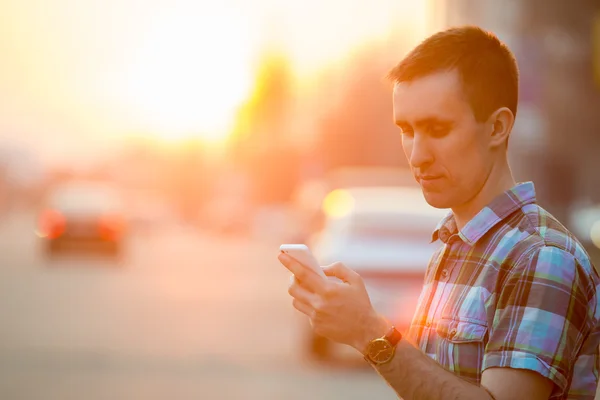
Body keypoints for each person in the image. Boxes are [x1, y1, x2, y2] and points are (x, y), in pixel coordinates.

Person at [278, 26, 600, 400]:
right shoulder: (453, 246)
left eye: (437, 129)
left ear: (497, 127)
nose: (418, 155)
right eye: (407, 130)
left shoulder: (541, 257)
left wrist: (369, 331)